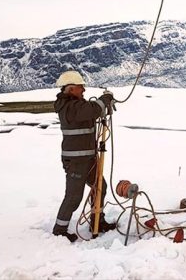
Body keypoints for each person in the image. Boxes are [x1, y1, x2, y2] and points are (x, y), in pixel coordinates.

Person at [52, 70, 117, 242]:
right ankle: (59, 229)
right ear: (71, 89)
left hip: (87, 158)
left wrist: (105, 107)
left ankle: (97, 221)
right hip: (76, 160)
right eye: (81, 87)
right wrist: (105, 100)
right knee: (74, 196)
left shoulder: (77, 105)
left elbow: (92, 112)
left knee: (100, 187)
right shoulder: (70, 107)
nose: (84, 91)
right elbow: (92, 110)